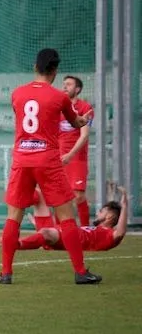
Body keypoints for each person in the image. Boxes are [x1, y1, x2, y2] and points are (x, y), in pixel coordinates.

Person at [0, 49, 98, 285]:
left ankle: (5, 273)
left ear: (35, 67)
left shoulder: (17, 94)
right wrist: (84, 120)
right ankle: (80, 272)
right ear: (54, 71)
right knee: (66, 217)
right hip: (48, 159)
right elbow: (75, 122)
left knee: (13, 218)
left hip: (22, 159)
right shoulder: (59, 97)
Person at [20, 183, 127, 252]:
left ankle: (13, 244)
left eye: (101, 211)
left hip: (68, 239)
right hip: (63, 231)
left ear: (110, 216)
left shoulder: (109, 234)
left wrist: (124, 206)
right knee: (40, 193)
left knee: (45, 232)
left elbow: (120, 233)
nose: (98, 213)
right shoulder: (98, 229)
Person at [59, 75, 93, 226]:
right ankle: (59, 231)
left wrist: (70, 155)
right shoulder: (58, 107)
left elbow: (84, 135)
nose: (65, 87)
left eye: (69, 84)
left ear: (77, 89)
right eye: (64, 84)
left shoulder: (86, 108)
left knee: (78, 195)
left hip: (77, 157)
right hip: (59, 156)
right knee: (59, 196)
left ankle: (86, 229)